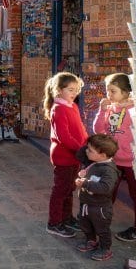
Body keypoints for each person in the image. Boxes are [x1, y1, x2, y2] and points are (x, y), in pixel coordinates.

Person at [94, 73, 136, 242]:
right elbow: (98, 130)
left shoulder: (135, 109)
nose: (109, 95)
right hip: (113, 160)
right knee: (107, 192)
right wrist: (101, 111)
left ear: (126, 92)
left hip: (132, 161)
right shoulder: (110, 108)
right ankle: (101, 223)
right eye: (107, 91)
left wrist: (135, 105)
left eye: (113, 91)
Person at [43, 72, 88, 238]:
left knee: (69, 189)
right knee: (60, 191)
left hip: (75, 156)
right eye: (70, 89)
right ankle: (54, 222)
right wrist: (81, 150)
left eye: (76, 89)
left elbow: (80, 129)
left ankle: (67, 218)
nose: (74, 92)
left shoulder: (72, 106)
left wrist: (88, 143)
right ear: (59, 90)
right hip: (64, 156)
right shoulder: (58, 109)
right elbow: (64, 137)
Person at [74, 134, 120, 262]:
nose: (86, 151)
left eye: (90, 150)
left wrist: (85, 183)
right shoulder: (94, 162)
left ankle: (105, 249)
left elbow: (105, 188)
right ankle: (91, 240)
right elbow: (80, 154)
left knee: (102, 229)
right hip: (87, 204)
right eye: (87, 148)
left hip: (100, 208)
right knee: (85, 224)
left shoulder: (109, 170)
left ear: (103, 155)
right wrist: (90, 144)